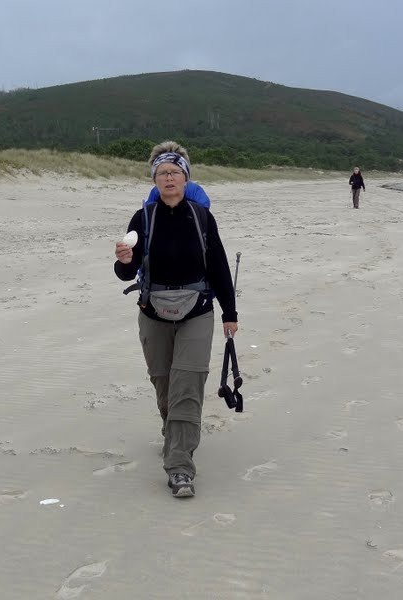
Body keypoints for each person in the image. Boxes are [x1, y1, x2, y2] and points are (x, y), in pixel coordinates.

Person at [114, 141, 238, 498]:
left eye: (175, 172)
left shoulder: (201, 217)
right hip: (153, 311)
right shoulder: (143, 218)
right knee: (164, 384)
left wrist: (230, 313)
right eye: (162, 173)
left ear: (186, 179)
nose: (169, 178)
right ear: (154, 179)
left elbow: (218, 266)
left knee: (188, 384)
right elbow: (127, 273)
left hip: (197, 310)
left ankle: (180, 466)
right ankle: (174, 434)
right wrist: (123, 259)